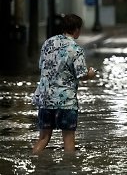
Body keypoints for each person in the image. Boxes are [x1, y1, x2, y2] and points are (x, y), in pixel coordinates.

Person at [32, 14, 96, 154]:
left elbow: (41, 66)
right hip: (65, 101)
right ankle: (68, 168)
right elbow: (81, 74)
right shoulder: (75, 49)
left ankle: (35, 164)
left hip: (45, 99)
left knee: (43, 138)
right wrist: (91, 73)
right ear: (77, 29)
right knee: (68, 140)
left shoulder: (47, 43)